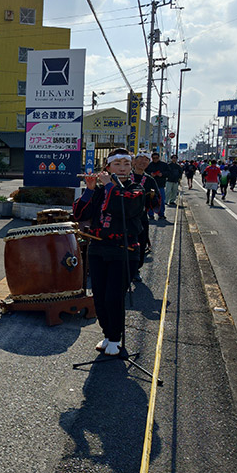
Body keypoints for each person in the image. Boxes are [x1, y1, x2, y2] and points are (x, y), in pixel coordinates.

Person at [73, 148, 146, 357]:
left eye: (126, 164)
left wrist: (109, 185)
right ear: (107, 167)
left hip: (124, 250)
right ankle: (107, 334)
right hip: (97, 249)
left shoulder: (135, 189)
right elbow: (80, 214)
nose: (122, 168)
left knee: (114, 297)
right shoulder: (99, 190)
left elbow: (127, 208)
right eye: (117, 164)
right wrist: (89, 188)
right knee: (99, 296)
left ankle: (115, 338)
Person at [131, 151, 160, 281]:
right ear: (134, 161)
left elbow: (157, 200)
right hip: (124, 216)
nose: (143, 162)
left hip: (141, 217)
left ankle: (136, 269)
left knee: (141, 243)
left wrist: (152, 197)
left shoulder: (149, 180)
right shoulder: (125, 176)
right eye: (140, 159)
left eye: (146, 160)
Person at [146, 152, 170, 219]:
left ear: (159, 158)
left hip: (160, 185)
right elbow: (144, 172)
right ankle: (150, 214)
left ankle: (161, 214)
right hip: (150, 186)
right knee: (150, 200)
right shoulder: (149, 165)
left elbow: (168, 172)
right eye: (154, 158)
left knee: (161, 200)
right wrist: (150, 174)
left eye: (156, 158)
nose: (155, 159)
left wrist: (162, 174)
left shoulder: (164, 165)